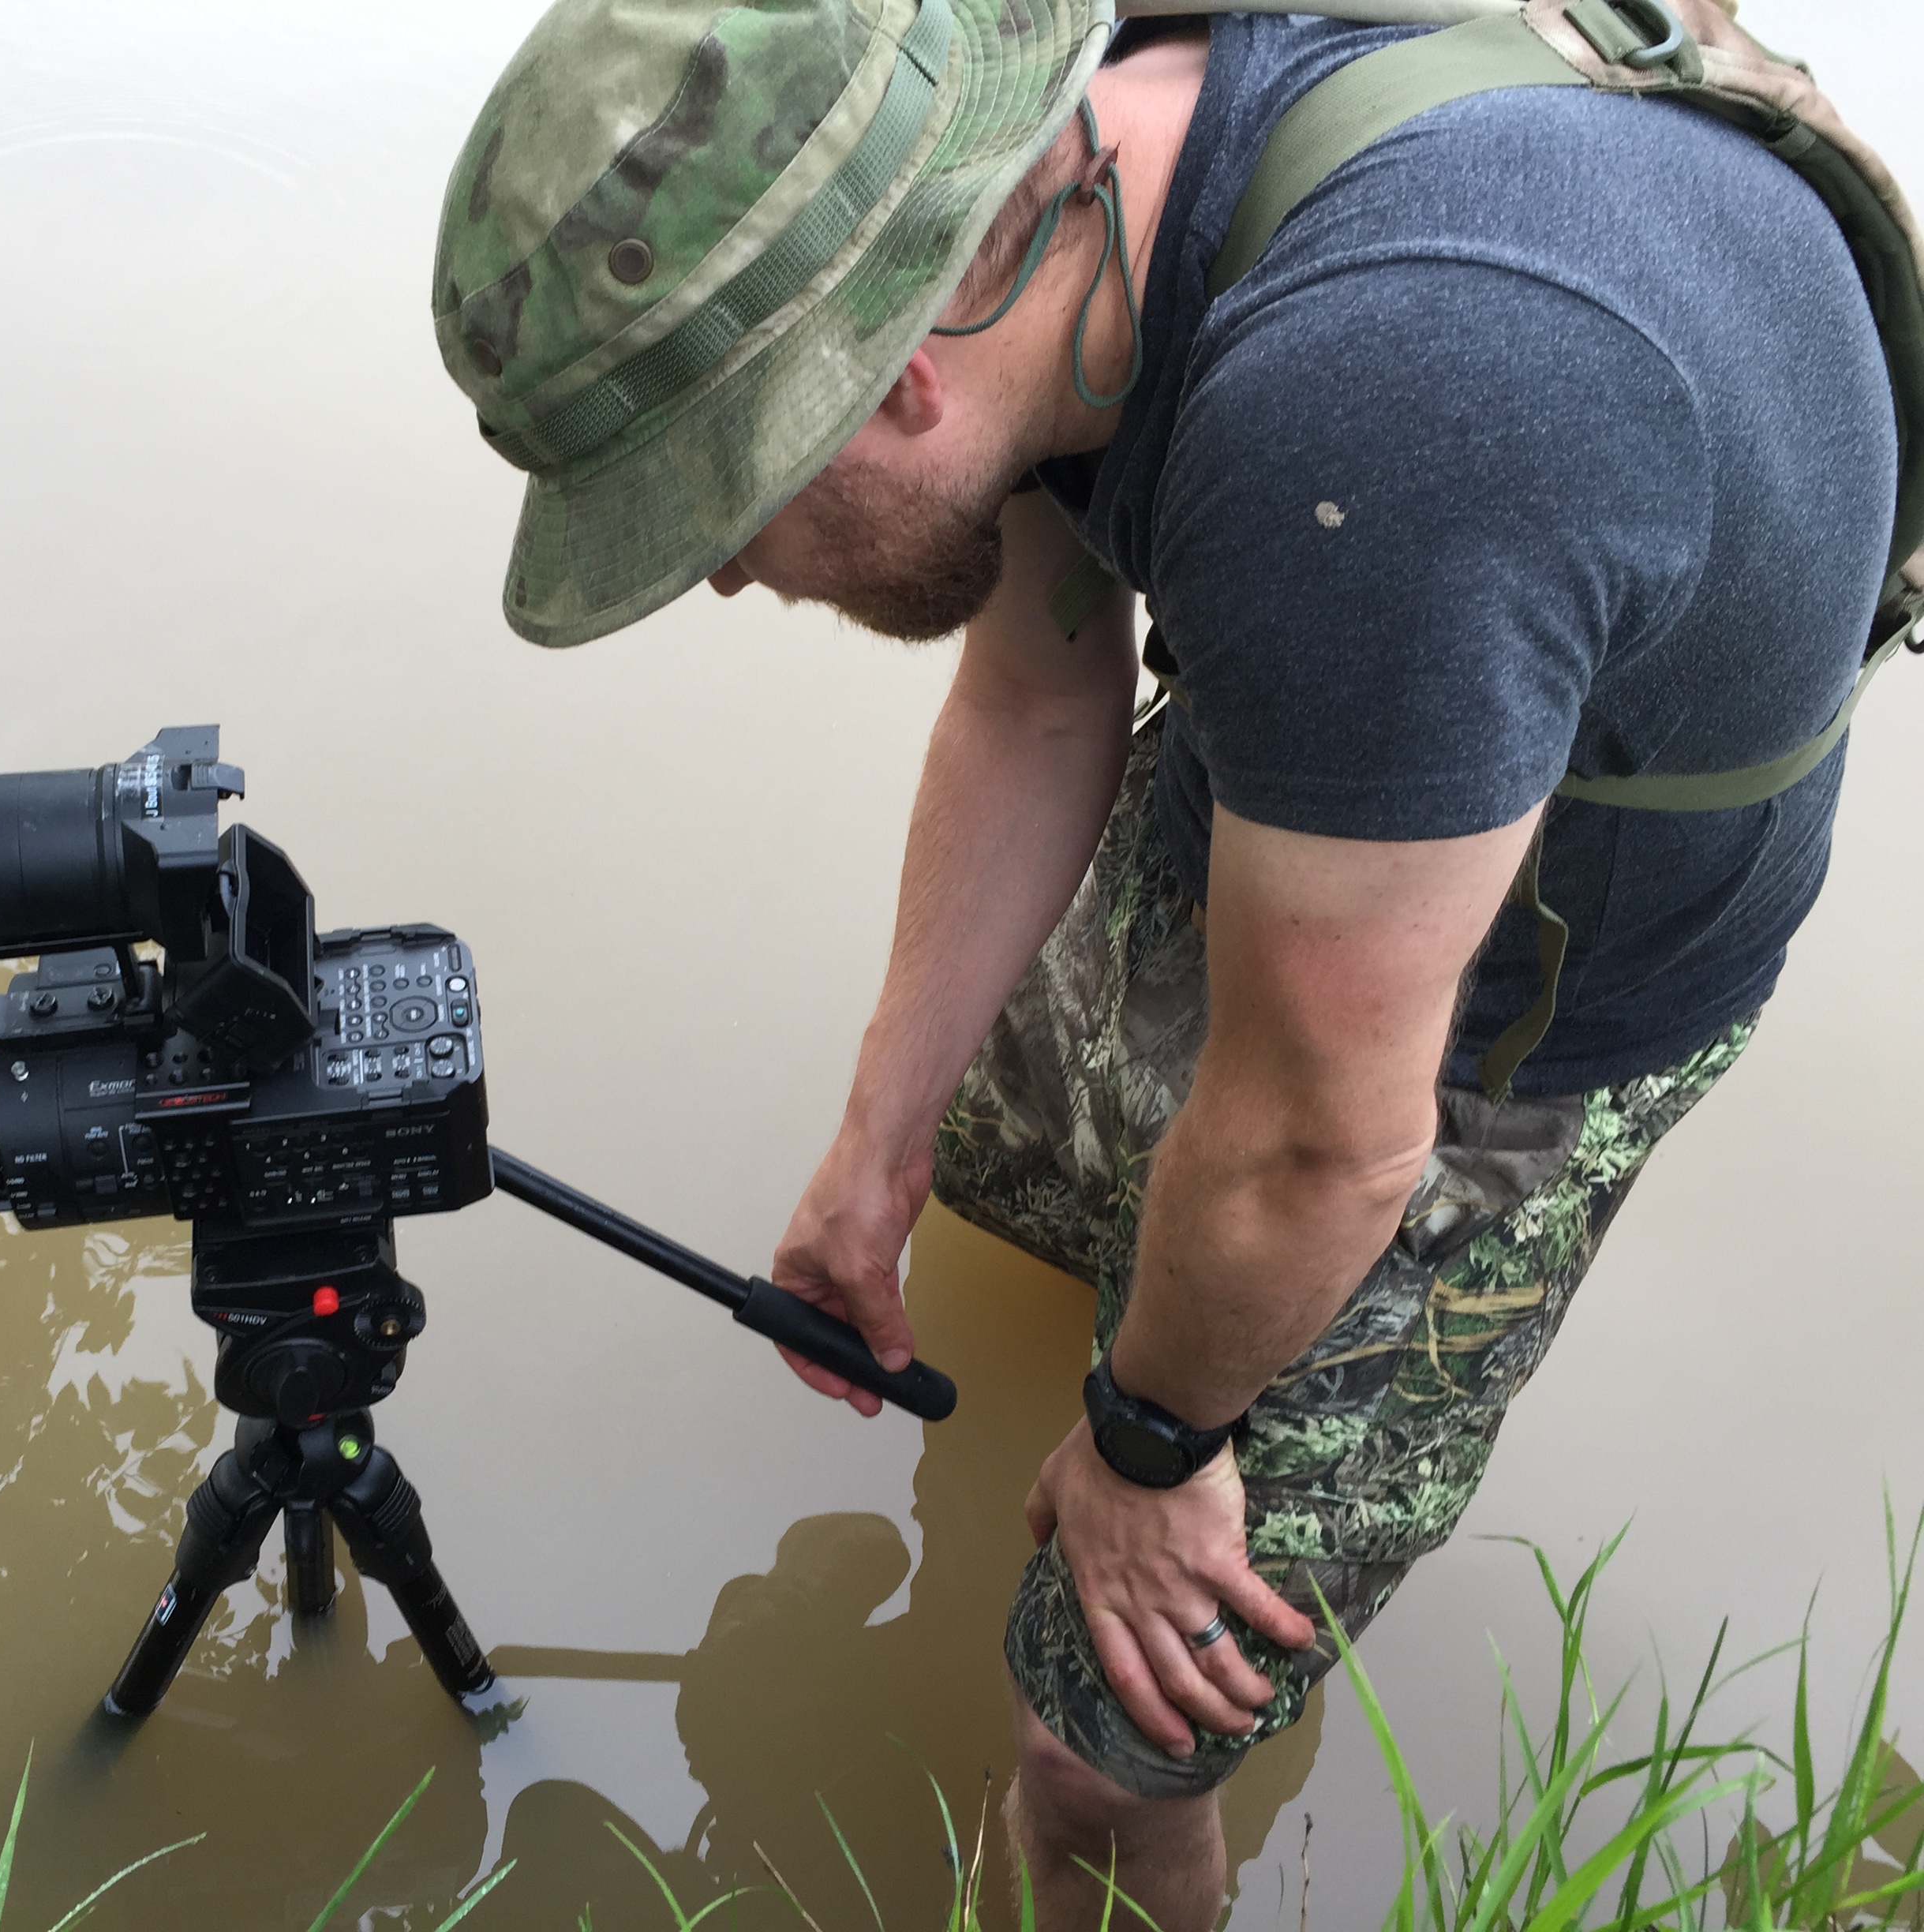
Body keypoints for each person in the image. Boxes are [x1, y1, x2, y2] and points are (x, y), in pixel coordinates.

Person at [432, 1, 1904, 1926]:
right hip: (1343, 697)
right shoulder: (1055, 188)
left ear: (891, 386)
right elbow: (1043, 694)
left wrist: (1147, 1445)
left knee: (1098, 1751)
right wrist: (876, 1149)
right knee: (1001, 1163)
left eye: (724, 507)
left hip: (1519, 1008)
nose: (721, 575)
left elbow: (1320, 1144)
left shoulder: (1387, 421)